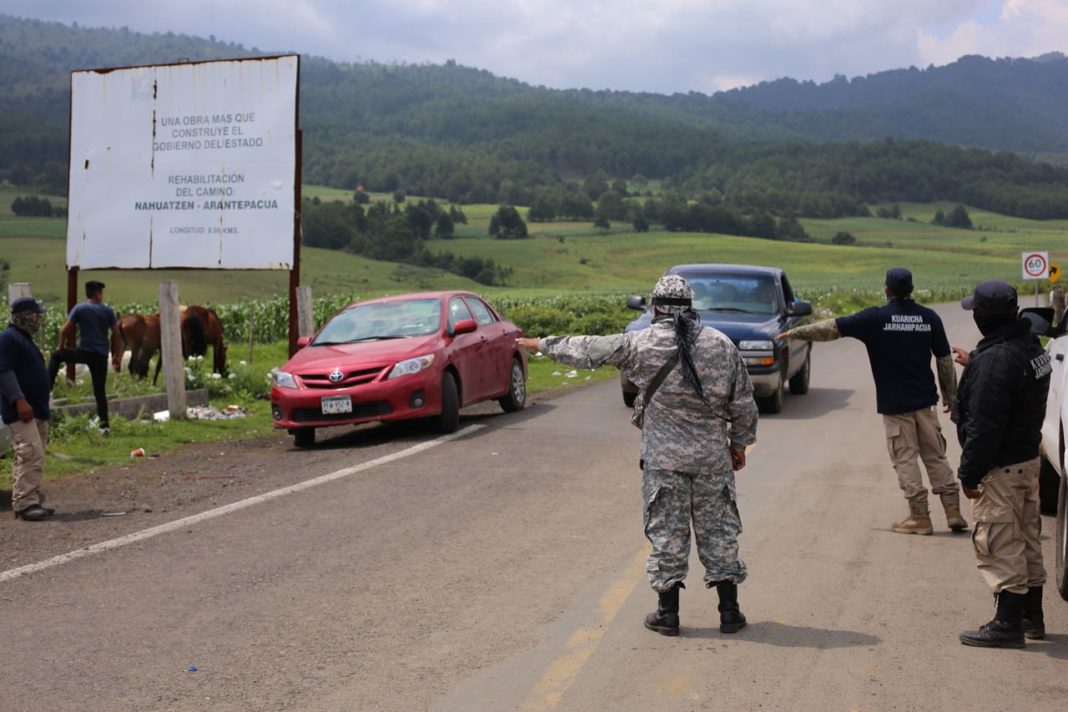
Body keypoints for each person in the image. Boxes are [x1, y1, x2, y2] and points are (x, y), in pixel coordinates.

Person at [517, 274, 758, 636]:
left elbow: (586, 348)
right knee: (719, 532)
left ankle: (668, 614)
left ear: (655, 306)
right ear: (691, 308)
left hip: (663, 463)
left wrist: (538, 344)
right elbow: (743, 404)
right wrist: (738, 444)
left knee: (667, 534)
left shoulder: (639, 345)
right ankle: (729, 612)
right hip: (712, 460)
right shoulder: (721, 345)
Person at [780, 267, 965, 535]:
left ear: (887, 290)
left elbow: (831, 329)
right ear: (911, 289)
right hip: (926, 403)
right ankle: (953, 511)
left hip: (895, 405)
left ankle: (920, 517)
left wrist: (796, 333)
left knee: (905, 459)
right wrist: (951, 396)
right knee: (935, 454)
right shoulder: (929, 317)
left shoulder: (875, 318)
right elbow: (944, 360)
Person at [952, 280, 1050, 648]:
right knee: (1026, 537)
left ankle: (1007, 624)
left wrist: (969, 472)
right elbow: (1010, 379)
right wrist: (975, 363)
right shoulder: (1028, 345)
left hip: (1002, 466)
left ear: (983, 317)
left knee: (1000, 541)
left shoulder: (997, 359)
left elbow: (986, 425)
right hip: (1026, 459)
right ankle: (1031, 616)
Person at [0, 298, 55, 521]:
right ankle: (25, 504)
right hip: (21, 410)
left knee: (31, 454)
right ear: (23, 316)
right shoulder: (8, 339)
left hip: (35, 410)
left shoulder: (23, 340)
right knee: (31, 453)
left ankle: (25, 498)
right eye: (35, 315)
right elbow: (3, 372)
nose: (38, 320)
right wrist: (18, 399)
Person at [48, 280, 119, 435]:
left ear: (88, 294)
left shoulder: (80, 308)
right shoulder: (107, 311)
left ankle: (48, 389)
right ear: (99, 294)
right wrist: (116, 356)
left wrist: (61, 347)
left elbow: (63, 330)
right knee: (99, 392)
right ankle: (104, 427)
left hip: (83, 352)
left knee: (56, 356)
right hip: (100, 356)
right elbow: (116, 334)